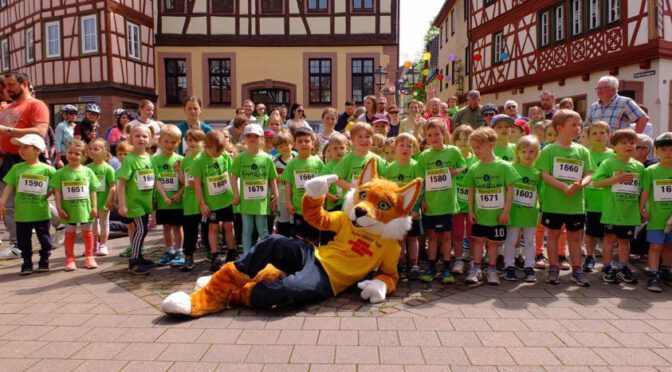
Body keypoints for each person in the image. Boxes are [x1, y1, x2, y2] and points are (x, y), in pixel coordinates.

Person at [536, 109, 594, 286]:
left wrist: (580, 184)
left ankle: (577, 269)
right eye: (573, 125)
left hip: (575, 205)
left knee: (575, 238)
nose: (578, 128)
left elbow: (589, 174)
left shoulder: (582, 151)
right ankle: (553, 267)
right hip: (554, 203)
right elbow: (544, 174)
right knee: (552, 235)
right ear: (560, 128)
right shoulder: (549, 150)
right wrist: (563, 187)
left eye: (579, 124)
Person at [0, 72, 50, 255]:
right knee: (10, 204)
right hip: (7, 160)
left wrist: (8, 130)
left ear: (25, 84)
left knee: (36, 199)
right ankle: (16, 245)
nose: (7, 89)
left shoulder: (36, 104)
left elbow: (40, 131)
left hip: (29, 158)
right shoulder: (7, 108)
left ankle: (59, 223)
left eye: (11, 84)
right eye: (6, 85)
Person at [464, 126, 520, 285]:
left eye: (478, 147)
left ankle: (492, 270)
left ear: (491, 144)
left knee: (494, 243)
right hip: (480, 215)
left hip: (497, 216)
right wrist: (470, 211)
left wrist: (506, 211)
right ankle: (476, 268)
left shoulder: (504, 166)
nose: (475, 151)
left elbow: (511, 189)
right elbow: (470, 190)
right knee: (478, 241)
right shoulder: (474, 167)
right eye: (473, 148)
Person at [417, 118, 466, 284]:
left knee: (446, 237)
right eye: (429, 135)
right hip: (431, 204)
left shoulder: (453, 151)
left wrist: (455, 172)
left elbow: (464, 166)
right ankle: (431, 267)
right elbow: (421, 180)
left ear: (444, 133)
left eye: (437, 134)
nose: (433, 138)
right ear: (426, 137)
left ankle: (446, 267)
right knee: (432, 237)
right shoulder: (424, 156)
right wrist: (422, 200)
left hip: (446, 203)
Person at [592, 129, 643, 284]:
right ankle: (607, 267)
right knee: (610, 239)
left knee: (624, 241)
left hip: (629, 213)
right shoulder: (609, 163)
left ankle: (622, 267)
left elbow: (642, 189)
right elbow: (596, 182)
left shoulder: (639, 167)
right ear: (614, 147)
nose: (629, 145)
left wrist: (641, 209)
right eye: (624, 143)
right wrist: (616, 179)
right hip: (612, 212)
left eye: (632, 142)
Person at [0, 135, 56, 274]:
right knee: (24, 241)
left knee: (45, 239)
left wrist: (48, 196)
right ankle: (27, 262)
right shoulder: (16, 168)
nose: (21, 150)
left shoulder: (47, 169)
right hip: (22, 214)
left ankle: (44, 260)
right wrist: (2, 202)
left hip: (41, 213)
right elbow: (9, 186)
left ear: (37, 150)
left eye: (26, 147)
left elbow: (56, 186)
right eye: (20, 147)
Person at [51, 139, 100, 271]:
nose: (73, 156)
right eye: (70, 152)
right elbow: (57, 193)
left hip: (85, 209)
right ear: (65, 153)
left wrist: (94, 207)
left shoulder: (88, 172)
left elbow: (93, 191)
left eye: (77, 154)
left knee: (88, 233)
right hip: (68, 210)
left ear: (83, 156)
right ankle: (70, 259)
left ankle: (89, 256)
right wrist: (59, 208)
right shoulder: (60, 173)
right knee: (70, 234)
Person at [192, 130, 237, 271]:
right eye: (216, 151)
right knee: (213, 227)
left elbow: (231, 175)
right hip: (211, 203)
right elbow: (197, 184)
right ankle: (215, 255)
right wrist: (202, 203)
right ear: (206, 146)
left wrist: (236, 194)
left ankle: (232, 252)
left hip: (226, 199)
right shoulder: (199, 160)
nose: (219, 154)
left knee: (229, 226)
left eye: (221, 151)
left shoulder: (225, 156)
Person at [231, 124, 279, 253]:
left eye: (256, 136)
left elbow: (272, 178)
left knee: (262, 230)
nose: (252, 138)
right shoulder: (241, 158)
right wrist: (236, 195)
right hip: (246, 202)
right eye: (249, 136)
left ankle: (264, 256)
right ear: (245, 139)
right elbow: (233, 177)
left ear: (262, 139)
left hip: (261, 202)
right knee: (247, 229)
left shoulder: (267, 158)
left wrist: (276, 195)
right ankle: (247, 256)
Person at [117, 124, 156, 274]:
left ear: (150, 140)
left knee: (143, 230)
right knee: (140, 229)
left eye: (145, 136)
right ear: (131, 139)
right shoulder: (129, 159)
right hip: (134, 203)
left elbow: (153, 180)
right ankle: (134, 261)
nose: (141, 139)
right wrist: (122, 205)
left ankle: (139, 256)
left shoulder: (149, 158)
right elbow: (121, 184)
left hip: (145, 202)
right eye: (137, 136)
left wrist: (154, 200)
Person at [503, 135, 541, 282]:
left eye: (531, 152)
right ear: (517, 152)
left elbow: (540, 193)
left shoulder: (537, 173)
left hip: (530, 212)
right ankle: (509, 266)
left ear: (537, 154)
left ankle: (529, 266)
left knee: (530, 241)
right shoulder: (511, 168)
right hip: (514, 211)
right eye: (524, 151)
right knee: (511, 239)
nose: (527, 155)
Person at [384, 133, 421, 279]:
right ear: (395, 148)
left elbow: (420, 188)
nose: (405, 148)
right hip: (396, 212)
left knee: (412, 238)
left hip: (411, 211)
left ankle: (413, 264)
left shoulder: (416, 166)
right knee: (399, 238)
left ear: (414, 149)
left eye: (409, 146)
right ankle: (400, 262)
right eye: (401, 145)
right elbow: (386, 190)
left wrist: (415, 209)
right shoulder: (390, 168)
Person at [641, 132, 672, 292]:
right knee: (656, 246)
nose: (668, 152)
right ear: (656, 152)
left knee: (669, 245)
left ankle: (666, 269)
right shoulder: (651, 170)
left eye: (671, 149)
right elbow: (645, 191)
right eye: (664, 149)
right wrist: (641, 209)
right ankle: (653, 273)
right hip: (656, 217)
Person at [581, 121, 613, 272]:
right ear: (588, 136)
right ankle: (589, 256)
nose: (598, 136)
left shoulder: (614, 155)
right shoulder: (584, 154)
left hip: (609, 201)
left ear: (608, 135)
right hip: (590, 199)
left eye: (602, 133)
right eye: (594, 133)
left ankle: (608, 262)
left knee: (609, 234)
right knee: (590, 232)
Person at [284, 127, 324, 244]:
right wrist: (288, 202)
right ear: (294, 144)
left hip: (315, 208)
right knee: (299, 238)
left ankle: (314, 259)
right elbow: (288, 184)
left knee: (315, 238)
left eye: (307, 141)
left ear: (313, 143)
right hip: (299, 208)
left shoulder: (318, 162)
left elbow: (323, 183)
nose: (303, 144)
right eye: (300, 141)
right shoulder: (292, 164)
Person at [153, 125, 186, 267]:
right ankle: (169, 250)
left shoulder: (181, 159)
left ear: (178, 143)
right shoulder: (155, 160)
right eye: (166, 141)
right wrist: (164, 197)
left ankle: (179, 250)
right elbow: (157, 180)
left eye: (173, 142)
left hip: (177, 201)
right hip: (163, 201)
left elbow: (187, 181)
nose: (169, 145)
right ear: (160, 141)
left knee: (177, 227)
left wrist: (180, 193)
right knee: (166, 227)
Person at [178, 128, 206, 271]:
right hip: (190, 201)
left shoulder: (206, 158)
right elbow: (184, 181)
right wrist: (178, 172)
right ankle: (188, 256)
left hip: (205, 201)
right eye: (189, 140)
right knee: (190, 230)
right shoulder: (184, 161)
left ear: (203, 142)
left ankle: (211, 254)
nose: (192, 143)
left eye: (196, 140)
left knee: (208, 229)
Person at [451, 125, 476, 275]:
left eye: (466, 138)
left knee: (473, 235)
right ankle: (459, 259)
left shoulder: (475, 159)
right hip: (457, 205)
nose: (462, 142)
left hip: (473, 206)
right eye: (459, 139)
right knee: (458, 234)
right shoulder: (452, 160)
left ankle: (474, 259)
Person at [335, 122, 386, 191]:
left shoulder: (377, 159)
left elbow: (384, 178)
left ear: (372, 139)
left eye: (367, 136)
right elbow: (337, 179)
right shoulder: (347, 159)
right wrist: (351, 187)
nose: (364, 140)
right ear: (352, 140)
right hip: (352, 198)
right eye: (360, 136)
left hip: (370, 199)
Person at [88, 138, 116, 257]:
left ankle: (103, 244)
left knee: (104, 223)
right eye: (90, 149)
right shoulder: (87, 168)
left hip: (104, 200)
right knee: (92, 225)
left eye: (96, 149)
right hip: (90, 203)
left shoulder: (108, 168)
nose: (92, 151)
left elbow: (112, 186)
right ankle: (94, 245)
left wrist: (109, 199)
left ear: (104, 152)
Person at [273, 131, 295, 238]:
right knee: (283, 224)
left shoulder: (298, 158)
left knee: (295, 223)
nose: (284, 148)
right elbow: (272, 180)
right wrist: (283, 177)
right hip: (281, 197)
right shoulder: (274, 162)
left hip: (296, 196)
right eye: (280, 146)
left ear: (292, 144)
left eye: (286, 144)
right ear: (276, 148)